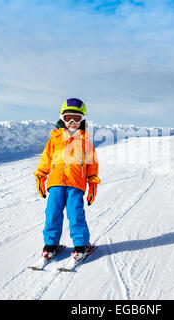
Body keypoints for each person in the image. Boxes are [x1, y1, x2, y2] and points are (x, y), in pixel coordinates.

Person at [34, 98, 100, 261]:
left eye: (76, 118)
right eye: (68, 117)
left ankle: (81, 244)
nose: (72, 122)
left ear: (82, 120)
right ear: (62, 118)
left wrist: (92, 184)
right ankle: (50, 244)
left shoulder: (86, 142)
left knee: (75, 213)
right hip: (56, 182)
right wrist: (41, 176)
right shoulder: (54, 139)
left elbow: (92, 166)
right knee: (52, 212)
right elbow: (46, 158)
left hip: (75, 184)